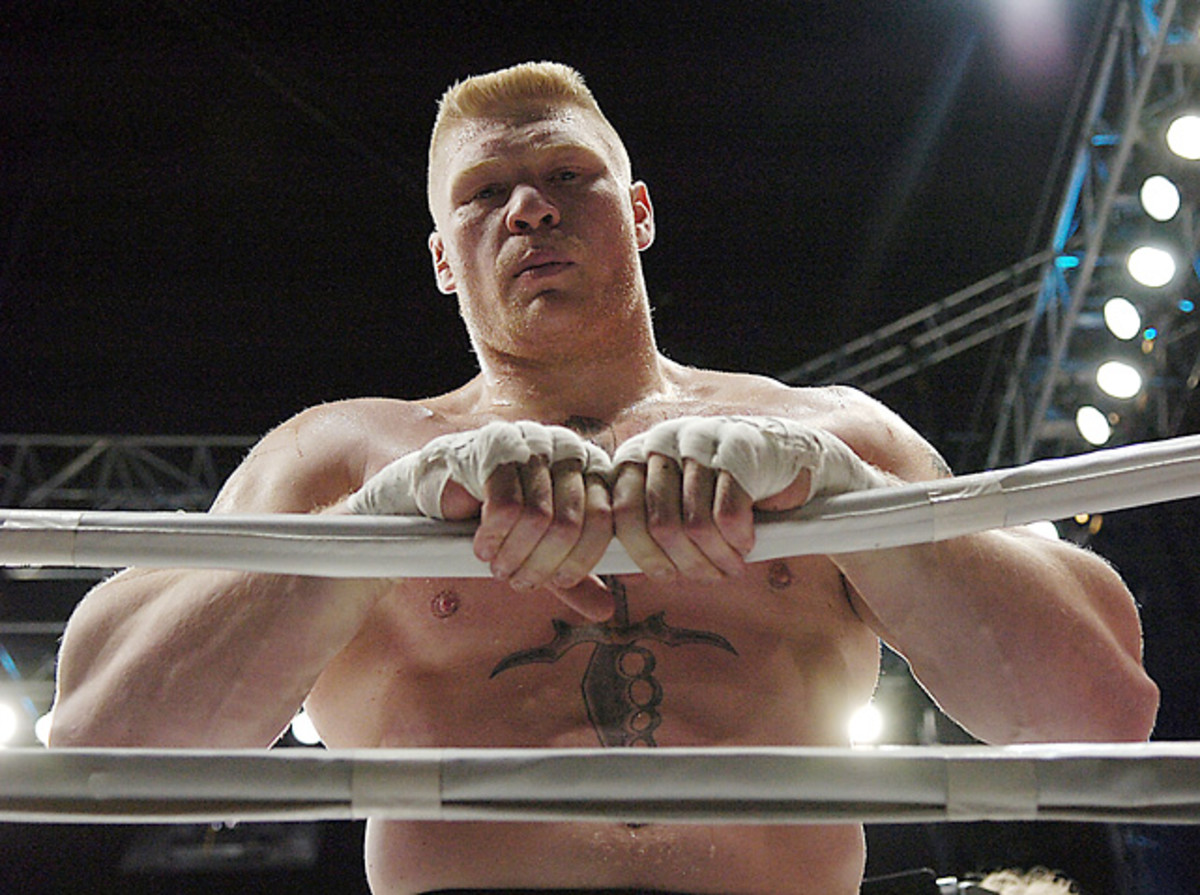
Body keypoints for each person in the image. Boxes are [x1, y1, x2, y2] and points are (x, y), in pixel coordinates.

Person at [49, 61, 1158, 894]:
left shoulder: (822, 432)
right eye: (485, 191)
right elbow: (103, 737)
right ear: (442, 260)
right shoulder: (344, 457)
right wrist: (380, 517)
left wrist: (842, 492)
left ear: (639, 212)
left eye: (565, 175)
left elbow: (1099, 705)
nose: (530, 207)